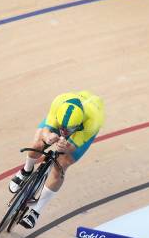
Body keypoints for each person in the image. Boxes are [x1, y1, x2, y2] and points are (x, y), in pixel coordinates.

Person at [9, 90, 105, 229]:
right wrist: (48, 137)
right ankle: (26, 170)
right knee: (38, 143)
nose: (64, 132)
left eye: (68, 129)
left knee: (62, 163)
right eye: (62, 128)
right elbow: (46, 129)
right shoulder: (59, 102)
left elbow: (72, 147)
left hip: (83, 130)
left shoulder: (94, 120)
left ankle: (36, 211)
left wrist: (64, 146)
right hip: (62, 118)